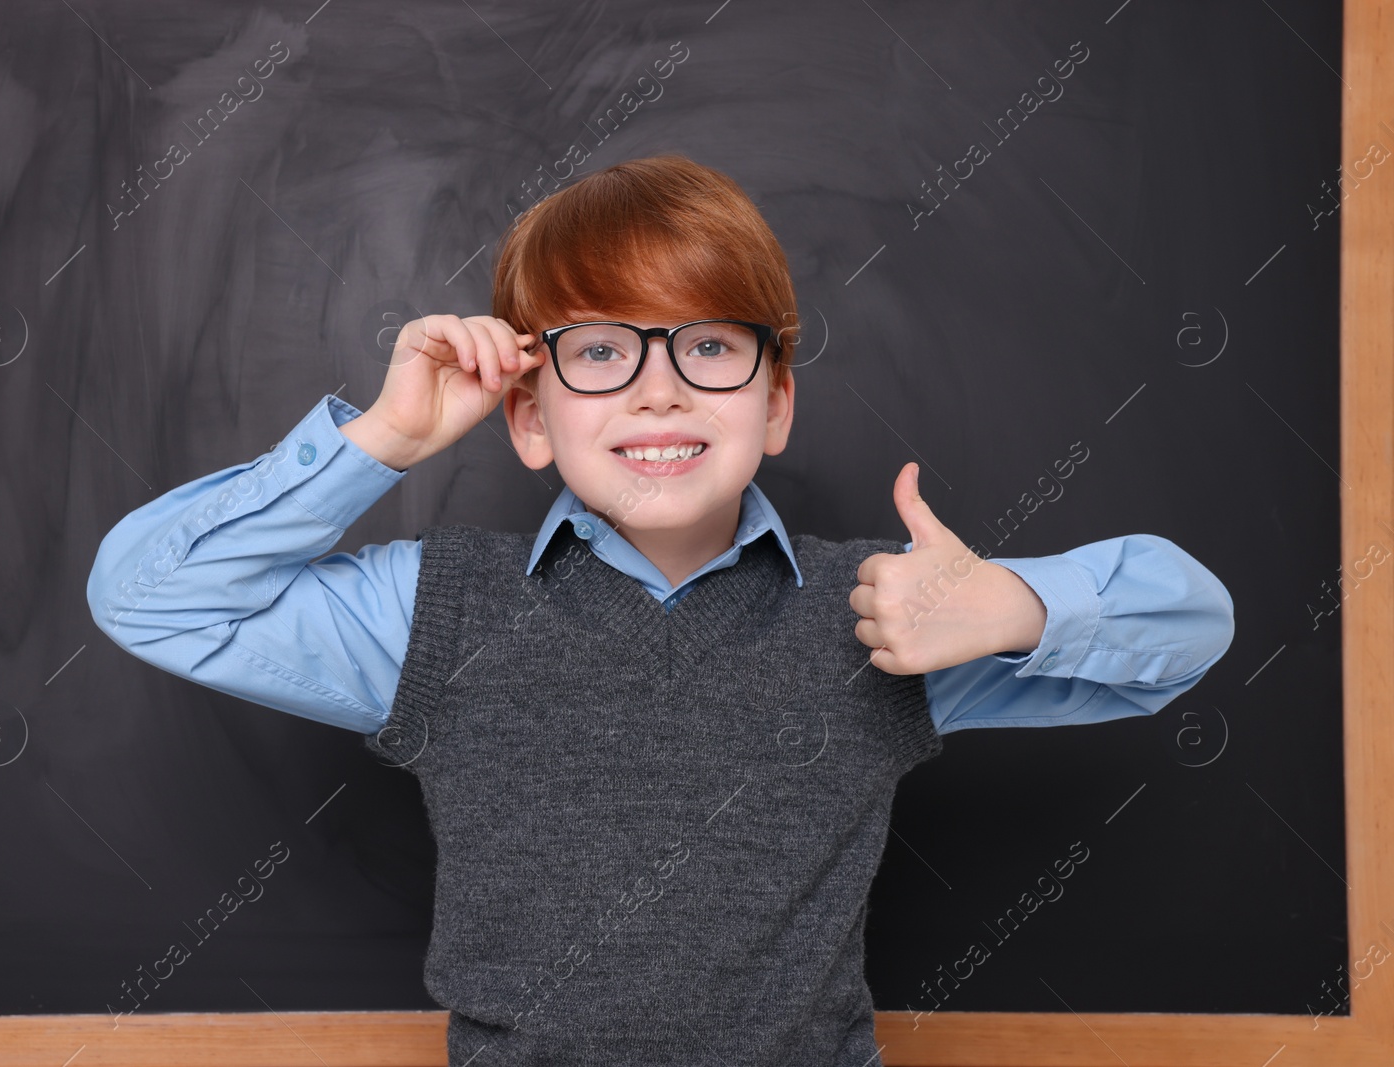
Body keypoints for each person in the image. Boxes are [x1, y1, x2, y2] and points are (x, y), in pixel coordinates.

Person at [86, 154, 1234, 1066]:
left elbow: (1192, 626)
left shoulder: (894, 608)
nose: (657, 384)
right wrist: (378, 441)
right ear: (529, 419)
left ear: (775, 403)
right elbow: (150, 597)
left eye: (707, 344)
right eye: (596, 348)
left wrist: (1018, 605)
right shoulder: (428, 614)